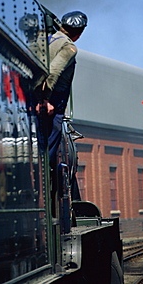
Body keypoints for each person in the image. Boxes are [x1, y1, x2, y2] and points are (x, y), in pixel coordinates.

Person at [35, 10, 88, 169]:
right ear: (79, 33)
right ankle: (46, 170)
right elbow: (53, 72)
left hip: (33, 93)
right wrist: (45, 99)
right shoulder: (68, 46)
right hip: (52, 98)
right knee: (52, 137)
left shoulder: (41, 39)